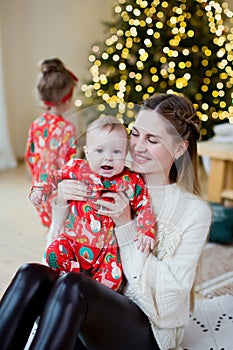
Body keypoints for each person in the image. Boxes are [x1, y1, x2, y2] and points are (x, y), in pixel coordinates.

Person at [0, 93, 212, 350]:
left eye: (152, 139)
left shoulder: (194, 212)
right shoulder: (106, 175)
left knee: (74, 285)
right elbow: (55, 258)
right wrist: (62, 206)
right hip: (89, 308)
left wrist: (126, 226)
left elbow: (167, 307)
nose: (138, 146)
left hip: (148, 330)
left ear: (180, 149)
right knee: (31, 273)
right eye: (135, 134)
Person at [29, 115, 156, 291]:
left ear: (125, 153)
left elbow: (144, 205)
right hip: (73, 242)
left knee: (113, 279)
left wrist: (145, 231)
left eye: (116, 152)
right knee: (53, 253)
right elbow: (53, 176)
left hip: (107, 251)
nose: (108, 158)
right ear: (87, 152)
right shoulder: (77, 168)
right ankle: (70, 279)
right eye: (100, 151)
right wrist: (40, 189)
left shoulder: (131, 180)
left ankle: (89, 292)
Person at [25, 58, 78, 229]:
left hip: (39, 187)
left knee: (51, 225)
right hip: (56, 190)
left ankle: (52, 239)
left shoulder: (36, 124)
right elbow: (68, 164)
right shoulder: (67, 128)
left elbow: (29, 155)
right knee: (62, 224)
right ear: (66, 99)